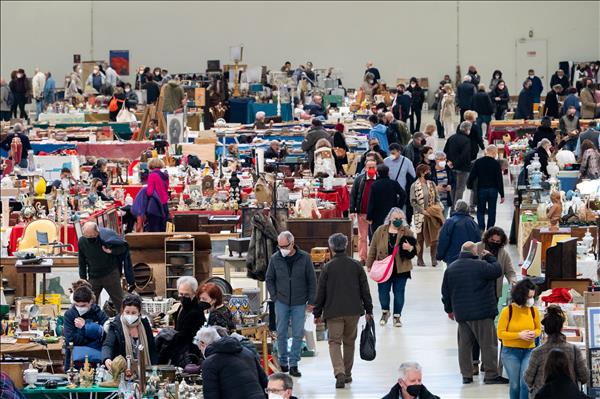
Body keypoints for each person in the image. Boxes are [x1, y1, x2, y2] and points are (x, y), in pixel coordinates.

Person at [313, 233, 373, 388]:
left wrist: (317, 313)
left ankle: (339, 372)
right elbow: (365, 290)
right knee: (349, 342)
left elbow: (321, 293)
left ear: (331, 247)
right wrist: (369, 310)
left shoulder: (327, 268)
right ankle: (347, 374)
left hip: (333, 312)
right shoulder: (356, 266)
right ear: (345, 246)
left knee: (334, 342)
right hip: (353, 310)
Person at [441, 241, 504, 385]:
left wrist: (449, 310)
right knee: (488, 344)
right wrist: (490, 257)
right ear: (474, 252)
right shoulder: (482, 266)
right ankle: (491, 375)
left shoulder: (451, 268)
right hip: (482, 313)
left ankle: (466, 375)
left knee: (464, 346)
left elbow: (445, 292)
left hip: (462, 314)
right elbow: (497, 270)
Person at [265, 231, 316, 377]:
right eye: (279, 246)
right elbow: (269, 279)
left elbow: (312, 281)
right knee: (281, 333)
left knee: (298, 334)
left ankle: (294, 363)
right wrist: (274, 296)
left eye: (285, 246)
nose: (282, 249)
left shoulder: (305, 258)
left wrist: (312, 301)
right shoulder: (275, 258)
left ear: (292, 243)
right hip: (281, 301)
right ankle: (283, 362)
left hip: (300, 302)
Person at [524, 305, 589, 398]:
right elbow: (584, 377)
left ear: (545, 330)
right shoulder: (574, 350)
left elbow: (528, 379)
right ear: (561, 328)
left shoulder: (537, 352)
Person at [367, 208, 417, 327]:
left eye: (401, 219)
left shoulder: (407, 232)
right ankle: (385, 312)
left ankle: (397, 316)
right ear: (389, 218)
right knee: (383, 292)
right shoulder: (380, 231)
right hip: (384, 268)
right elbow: (373, 248)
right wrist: (369, 264)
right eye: (395, 219)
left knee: (399, 293)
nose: (398, 221)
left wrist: (410, 248)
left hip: (401, 269)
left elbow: (417, 248)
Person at [497, 279, 541, 399]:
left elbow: (538, 329)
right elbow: (500, 333)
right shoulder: (508, 311)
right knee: (515, 385)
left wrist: (534, 333)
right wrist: (519, 335)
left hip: (529, 351)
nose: (531, 300)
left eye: (533, 296)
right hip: (510, 352)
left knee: (525, 383)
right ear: (521, 295)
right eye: (529, 297)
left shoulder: (533, 311)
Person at [197, 326, 268, 399]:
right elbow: (264, 381)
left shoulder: (209, 363)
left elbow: (211, 395)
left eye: (200, 349)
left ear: (202, 344)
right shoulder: (247, 352)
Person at [158, 276, 210, 366]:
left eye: (186, 295)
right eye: (180, 294)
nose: (182, 297)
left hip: (189, 354)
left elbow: (186, 336)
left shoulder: (195, 311)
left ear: (194, 293)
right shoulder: (181, 307)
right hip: (179, 351)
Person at [78, 221, 125, 311]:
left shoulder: (107, 238)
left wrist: (111, 251)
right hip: (93, 276)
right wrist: (83, 279)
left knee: (119, 301)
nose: (89, 239)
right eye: (87, 236)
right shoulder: (82, 241)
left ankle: (124, 322)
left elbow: (123, 248)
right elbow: (82, 261)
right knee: (89, 303)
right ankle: (90, 323)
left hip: (110, 274)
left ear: (97, 232)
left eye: (92, 236)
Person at [102, 294, 158, 369]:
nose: (130, 315)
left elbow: (152, 348)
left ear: (139, 312)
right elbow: (108, 345)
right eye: (127, 312)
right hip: (123, 369)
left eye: (133, 313)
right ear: (122, 311)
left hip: (145, 369)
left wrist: (154, 368)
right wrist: (107, 359)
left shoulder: (145, 324)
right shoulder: (115, 325)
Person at [63, 280, 109, 369]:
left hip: (97, 362)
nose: (80, 308)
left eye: (83, 306)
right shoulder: (69, 314)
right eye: (77, 305)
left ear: (90, 302)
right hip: (75, 362)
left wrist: (85, 326)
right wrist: (93, 336)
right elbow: (71, 340)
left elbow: (106, 335)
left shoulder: (98, 313)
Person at [410, 164, 444, 267]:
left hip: (432, 215)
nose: (429, 173)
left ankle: (433, 258)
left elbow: (437, 198)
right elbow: (413, 201)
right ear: (421, 173)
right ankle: (419, 258)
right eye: (427, 171)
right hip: (420, 216)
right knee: (420, 238)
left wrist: (436, 208)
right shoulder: (414, 185)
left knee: (434, 237)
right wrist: (422, 211)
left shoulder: (432, 184)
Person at [467, 145, 505, 231]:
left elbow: (472, 175)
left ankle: (481, 227)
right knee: (492, 211)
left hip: (481, 189)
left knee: (480, 210)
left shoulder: (478, 162)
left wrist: (469, 185)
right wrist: (502, 194)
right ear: (495, 153)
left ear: (486, 151)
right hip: (493, 190)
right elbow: (499, 180)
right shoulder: (496, 164)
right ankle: (490, 229)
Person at [350, 158, 378, 264]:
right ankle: (363, 258)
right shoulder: (359, 179)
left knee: (376, 236)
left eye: (373, 167)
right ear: (365, 168)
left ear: (376, 168)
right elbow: (353, 194)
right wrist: (352, 210)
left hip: (376, 213)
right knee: (362, 236)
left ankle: (374, 257)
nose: (371, 169)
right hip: (362, 212)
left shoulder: (379, 179)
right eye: (369, 167)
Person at [436, 200, 481, 265]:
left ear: (456, 208)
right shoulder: (473, 224)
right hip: (470, 259)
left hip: (452, 258)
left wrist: (440, 255)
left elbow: (443, 240)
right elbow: (478, 242)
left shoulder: (450, 222)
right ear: (467, 209)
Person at [367, 164, 407, 234]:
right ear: (388, 172)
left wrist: (369, 217)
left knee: (378, 237)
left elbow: (371, 202)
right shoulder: (393, 183)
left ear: (377, 173)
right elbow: (403, 195)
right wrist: (398, 207)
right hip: (392, 213)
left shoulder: (374, 185)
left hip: (377, 216)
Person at [443, 121, 473, 206]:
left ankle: (452, 206)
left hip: (451, 167)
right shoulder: (466, 140)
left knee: (453, 187)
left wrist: (450, 163)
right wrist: (456, 164)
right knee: (460, 188)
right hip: (463, 168)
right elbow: (465, 155)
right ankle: (457, 207)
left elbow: (445, 151)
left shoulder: (451, 138)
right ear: (467, 130)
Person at [145, 158, 169, 232]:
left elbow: (149, 192)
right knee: (163, 227)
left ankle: (155, 243)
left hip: (155, 204)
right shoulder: (165, 176)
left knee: (154, 228)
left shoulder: (152, 175)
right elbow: (166, 189)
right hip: (164, 204)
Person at [430, 151, 455, 217]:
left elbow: (454, 182)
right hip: (434, 202)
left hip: (446, 201)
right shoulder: (430, 171)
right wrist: (435, 188)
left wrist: (450, 186)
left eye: (444, 159)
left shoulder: (448, 170)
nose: (443, 161)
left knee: (444, 221)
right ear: (435, 160)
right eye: (441, 159)